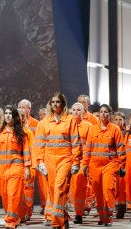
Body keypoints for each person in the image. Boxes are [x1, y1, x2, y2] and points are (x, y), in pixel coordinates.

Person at [35, 92, 81, 229]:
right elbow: (39, 144)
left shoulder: (70, 120)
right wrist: (40, 162)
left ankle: (56, 222)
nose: (55, 104)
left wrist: (76, 162)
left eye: (58, 102)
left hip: (65, 159)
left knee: (60, 189)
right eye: (53, 102)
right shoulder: (44, 123)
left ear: (63, 104)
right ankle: (64, 217)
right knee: (53, 191)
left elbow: (75, 142)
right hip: (49, 161)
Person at [0, 105, 31, 229]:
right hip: (1, 171)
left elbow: (26, 152)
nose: (7, 115)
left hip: (16, 168)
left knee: (13, 195)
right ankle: (15, 217)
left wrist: (27, 167)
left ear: (15, 116)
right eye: (6, 113)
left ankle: (10, 221)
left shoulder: (21, 133)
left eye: (10, 113)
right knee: (6, 197)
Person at [82, 104, 125, 226]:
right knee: (98, 192)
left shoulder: (115, 129)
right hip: (94, 165)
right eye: (101, 112)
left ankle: (109, 217)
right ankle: (102, 217)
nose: (103, 114)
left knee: (108, 189)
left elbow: (121, 149)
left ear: (110, 114)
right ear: (99, 114)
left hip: (110, 164)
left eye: (106, 112)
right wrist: (85, 164)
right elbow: (88, 149)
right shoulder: (93, 129)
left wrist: (122, 165)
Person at [69, 102, 92, 224]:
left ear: (83, 112)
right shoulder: (67, 125)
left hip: (82, 161)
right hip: (69, 160)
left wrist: (87, 163)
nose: (76, 112)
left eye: (79, 110)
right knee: (71, 190)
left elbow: (90, 146)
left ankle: (78, 214)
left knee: (79, 188)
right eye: (74, 109)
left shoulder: (88, 126)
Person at [112, 111, 127, 219]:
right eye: (116, 119)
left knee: (122, 187)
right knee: (115, 186)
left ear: (124, 121)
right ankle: (116, 205)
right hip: (113, 162)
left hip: (124, 163)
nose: (118, 122)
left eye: (120, 120)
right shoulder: (112, 131)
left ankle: (121, 207)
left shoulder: (127, 133)